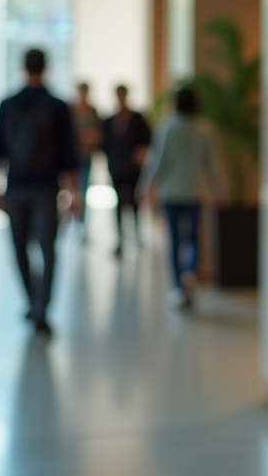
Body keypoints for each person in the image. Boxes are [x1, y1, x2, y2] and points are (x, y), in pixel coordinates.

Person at [0, 49, 80, 336]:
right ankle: (42, 308)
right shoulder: (58, 105)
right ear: (47, 67)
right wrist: (74, 192)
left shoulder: (8, 103)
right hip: (47, 186)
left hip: (16, 185)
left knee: (19, 247)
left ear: (23, 67)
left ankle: (31, 300)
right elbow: (69, 153)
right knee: (48, 249)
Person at [137, 87, 223, 309]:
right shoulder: (204, 130)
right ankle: (190, 271)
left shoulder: (166, 128)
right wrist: (219, 190)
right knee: (193, 238)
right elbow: (211, 164)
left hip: (171, 193)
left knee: (175, 241)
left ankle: (178, 288)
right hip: (195, 191)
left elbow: (158, 161)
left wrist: (146, 185)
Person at [101, 85, 151, 257]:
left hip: (133, 167)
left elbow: (147, 139)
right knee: (118, 203)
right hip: (116, 167)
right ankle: (120, 238)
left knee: (135, 200)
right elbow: (104, 143)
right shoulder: (109, 121)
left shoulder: (137, 119)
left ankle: (137, 234)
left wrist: (141, 154)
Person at [70, 82, 102, 234]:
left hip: (86, 155)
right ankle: (71, 218)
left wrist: (83, 137)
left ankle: (81, 222)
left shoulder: (92, 111)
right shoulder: (71, 109)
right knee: (71, 189)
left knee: (83, 188)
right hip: (72, 156)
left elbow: (97, 134)